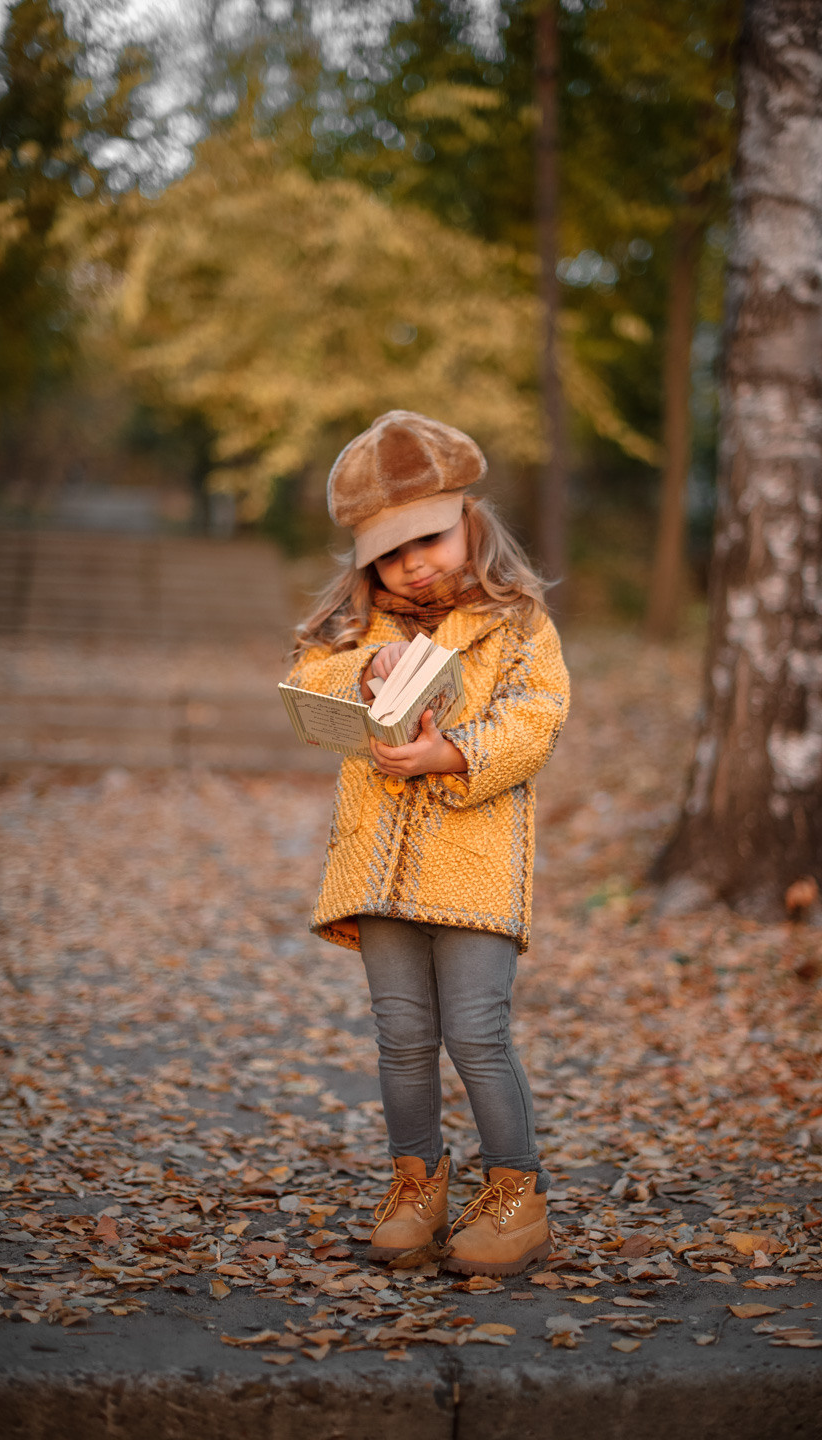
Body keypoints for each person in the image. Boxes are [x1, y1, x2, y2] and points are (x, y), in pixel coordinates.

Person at [287, 410, 570, 1277]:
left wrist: (456, 751)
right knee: (401, 1036)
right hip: (378, 867)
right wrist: (358, 673)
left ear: (471, 518)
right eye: (388, 550)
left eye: (431, 537)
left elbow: (540, 714)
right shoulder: (357, 628)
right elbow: (307, 680)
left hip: (475, 867)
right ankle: (417, 1183)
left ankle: (516, 1196)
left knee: (477, 1033)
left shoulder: (517, 623)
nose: (412, 563)